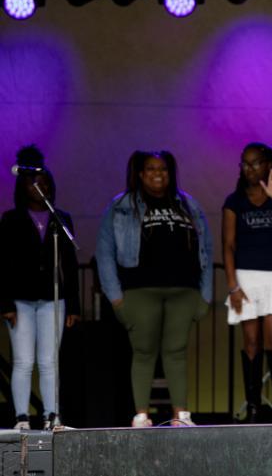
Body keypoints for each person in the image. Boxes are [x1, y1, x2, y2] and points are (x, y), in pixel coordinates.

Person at [96, 150, 213, 427]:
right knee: (144, 351)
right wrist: (115, 298)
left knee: (177, 351)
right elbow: (104, 252)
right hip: (139, 289)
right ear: (139, 173)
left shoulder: (188, 204)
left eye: (162, 168)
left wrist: (205, 295)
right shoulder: (122, 205)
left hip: (184, 290)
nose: (157, 173)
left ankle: (180, 415)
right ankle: (141, 415)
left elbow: (206, 248)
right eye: (150, 168)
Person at [0, 145, 80, 430]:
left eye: (45, 183)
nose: (40, 188)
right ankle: (21, 418)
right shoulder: (10, 219)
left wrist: (73, 303)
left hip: (52, 297)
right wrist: (6, 303)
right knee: (23, 360)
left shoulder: (61, 218)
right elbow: (4, 264)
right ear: (22, 187)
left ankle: (52, 416)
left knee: (49, 361)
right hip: (20, 299)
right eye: (34, 184)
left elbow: (70, 266)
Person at [222, 143, 272, 423]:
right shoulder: (234, 201)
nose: (249, 168)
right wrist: (232, 286)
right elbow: (228, 245)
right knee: (251, 342)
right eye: (245, 163)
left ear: (268, 165)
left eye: (255, 163)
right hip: (245, 276)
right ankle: (253, 406)